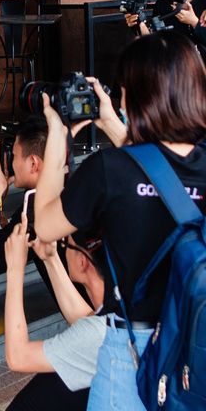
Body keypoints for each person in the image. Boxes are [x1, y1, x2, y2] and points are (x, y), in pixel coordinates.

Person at [34, 31, 206, 410]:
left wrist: (58, 136)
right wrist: (112, 123)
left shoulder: (108, 170)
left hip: (132, 354)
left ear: (135, 96)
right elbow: (158, 167)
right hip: (199, 346)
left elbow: (44, 226)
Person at [0, 116, 89, 410]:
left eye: (13, 156)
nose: (9, 163)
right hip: (98, 327)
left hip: (97, 340)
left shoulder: (37, 209)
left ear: (35, 163)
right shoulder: (80, 187)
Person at [3, 221, 107, 400]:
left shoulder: (99, 332)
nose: (63, 248)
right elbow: (86, 320)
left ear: (82, 261)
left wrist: (14, 268)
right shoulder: (124, 307)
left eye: (66, 244)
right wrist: (50, 259)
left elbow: (18, 357)